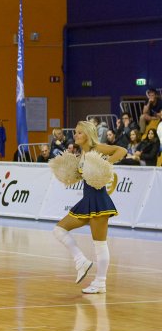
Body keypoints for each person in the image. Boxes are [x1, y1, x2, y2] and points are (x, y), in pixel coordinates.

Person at [52, 121, 127, 295]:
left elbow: (121, 151)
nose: (75, 135)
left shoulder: (97, 149)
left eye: (79, 133)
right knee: (59, 230)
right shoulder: (82, 154)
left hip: (99, 202)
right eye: (75, 132)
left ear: (87, 134)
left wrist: (106, 163)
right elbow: (83, 174)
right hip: (86, 201)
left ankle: (100, 282)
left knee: (99, 244)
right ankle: (81, 261)